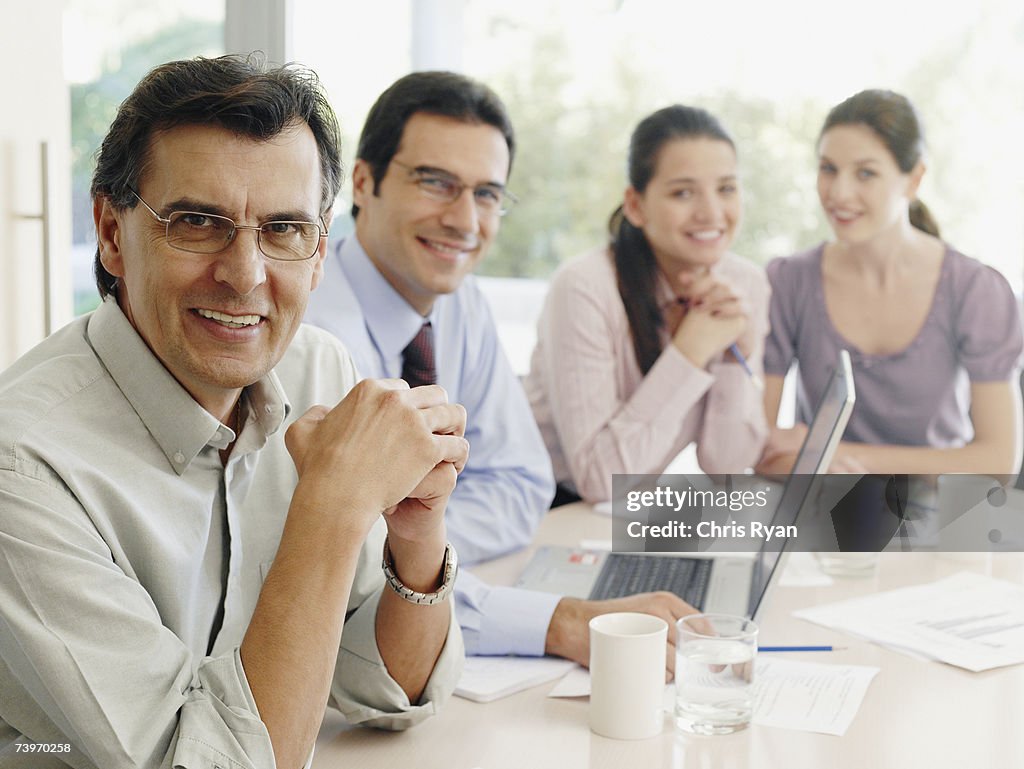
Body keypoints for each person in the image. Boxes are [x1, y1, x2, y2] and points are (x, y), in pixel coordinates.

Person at [0, 55, 466, 769]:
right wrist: (331, 509)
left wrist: (418, 531)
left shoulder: (320, 370)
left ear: (318, 250)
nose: (245, 274)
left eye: (283, 229)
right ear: (112, 231)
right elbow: (198, 760)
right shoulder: (23, 467)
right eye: (196, 221)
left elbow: (383, 688)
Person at [305, 72, 693, 670]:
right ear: (363, 181)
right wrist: (558, 621)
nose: (465, 221)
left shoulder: (461, 300)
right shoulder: (309, 331)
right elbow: (342, 568)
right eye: (436, 183)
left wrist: (417, 541)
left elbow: (521, 483)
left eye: (487, 194)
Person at [759, 89, 1023, 476]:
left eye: (866, 173)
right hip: (821, 513)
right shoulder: (787, 282)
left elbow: (998, 462)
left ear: (914, 179)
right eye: (828, 168)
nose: (838, 192)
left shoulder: (975, 290)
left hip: (940, 514)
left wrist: (841, 458)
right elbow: (764, 446)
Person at [525, 105, 770, 504]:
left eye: (726, 188)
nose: (711, 212)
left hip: (624, 506)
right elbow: (597, 480)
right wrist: (690, 351)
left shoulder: (745, 283)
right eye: (683, 192)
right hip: (550, 504)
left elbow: (725, 465)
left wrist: (734, 361)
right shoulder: (584, 287)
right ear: (636, 206)